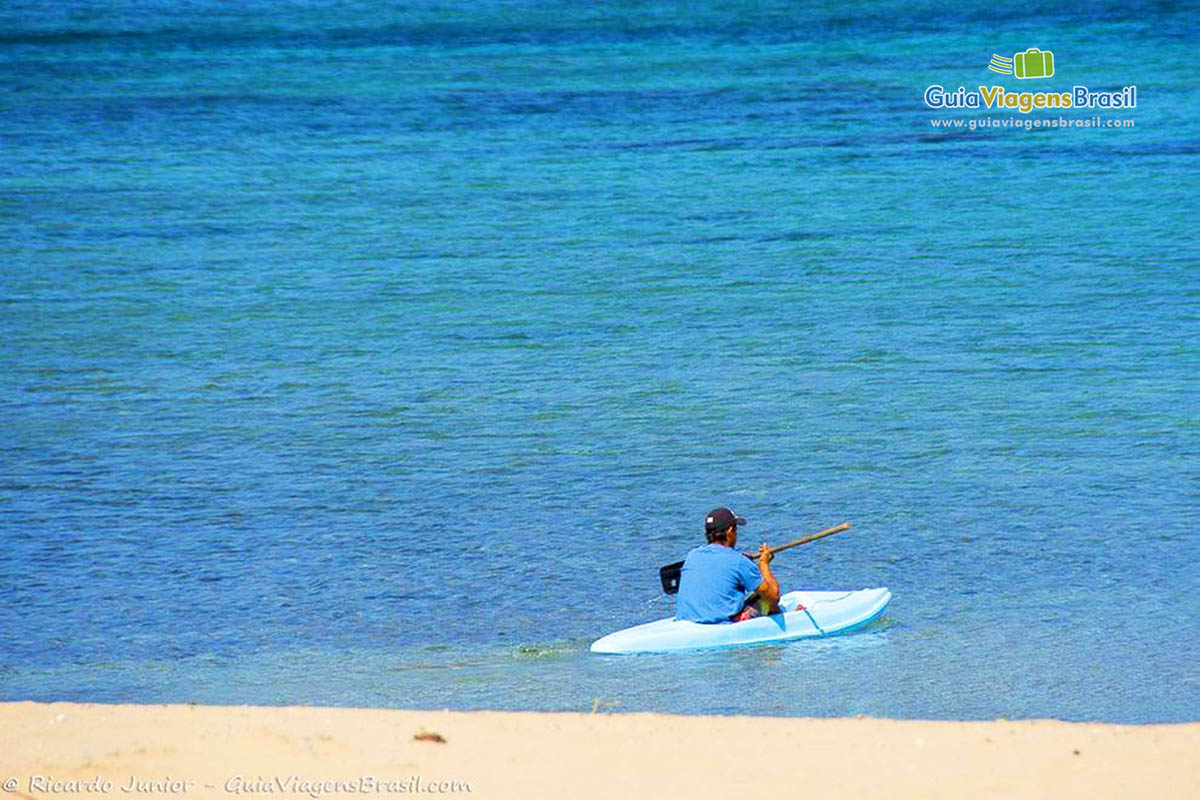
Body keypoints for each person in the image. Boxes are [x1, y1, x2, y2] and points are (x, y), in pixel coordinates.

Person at [674, 506, 782, 623]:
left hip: (687, 623)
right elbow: (774, 596)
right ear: (730, 531)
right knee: (764, 598)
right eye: (736, 530)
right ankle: (781, 619)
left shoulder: (692, 555)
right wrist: (763, 564)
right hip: (721, 626)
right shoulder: (739, 561)